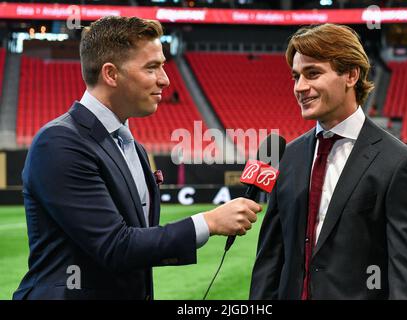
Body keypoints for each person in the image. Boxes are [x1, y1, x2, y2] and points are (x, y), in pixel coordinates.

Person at [13, 16, 261, 300]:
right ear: (111, 74)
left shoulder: (134, 148)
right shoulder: (60, 142)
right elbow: (114, 247)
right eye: (152, 67)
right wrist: (209, 222)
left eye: (163, 67)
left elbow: (138, 250)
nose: (165, 80)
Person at [249, 24, 407, 300]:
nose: (300, 87)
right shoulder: (288, 157)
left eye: (313, 74)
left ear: (351, 74)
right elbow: (270, 260)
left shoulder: (400, 164)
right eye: (296, 76)